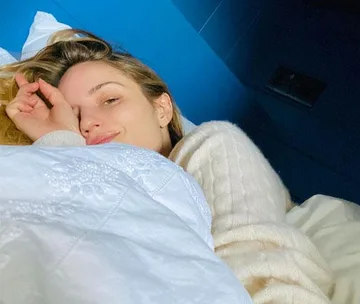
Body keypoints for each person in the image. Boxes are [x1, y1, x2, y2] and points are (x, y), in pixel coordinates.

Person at [0, 29, 334, 303]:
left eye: (109, 100)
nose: (88, 123)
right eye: (73, 115)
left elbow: (264, 270)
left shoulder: (213, 143)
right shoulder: (101, 172)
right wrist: (60, 142)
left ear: (162, 109)